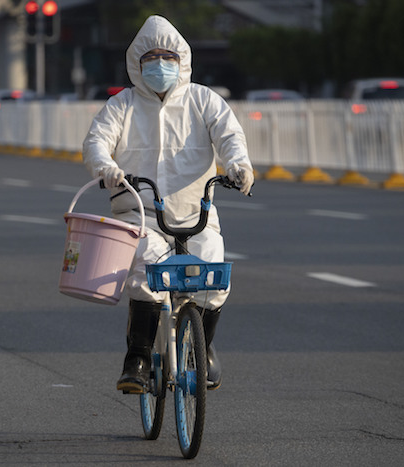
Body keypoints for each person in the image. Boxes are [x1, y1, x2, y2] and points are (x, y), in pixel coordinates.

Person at [82, 15, 253, 394]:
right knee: (145, 275)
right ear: (137, 63)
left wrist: (239, 165)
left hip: (198, 215)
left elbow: (230, 136)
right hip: (139, 213)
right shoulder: (122, 105)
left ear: (182, 61)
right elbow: (96, 142)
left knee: (213, 276)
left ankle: (203, 347)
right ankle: (138, 358)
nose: (160, 65)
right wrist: (106, 168)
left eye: (168, 57)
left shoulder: (204, 100)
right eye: (152, 57)